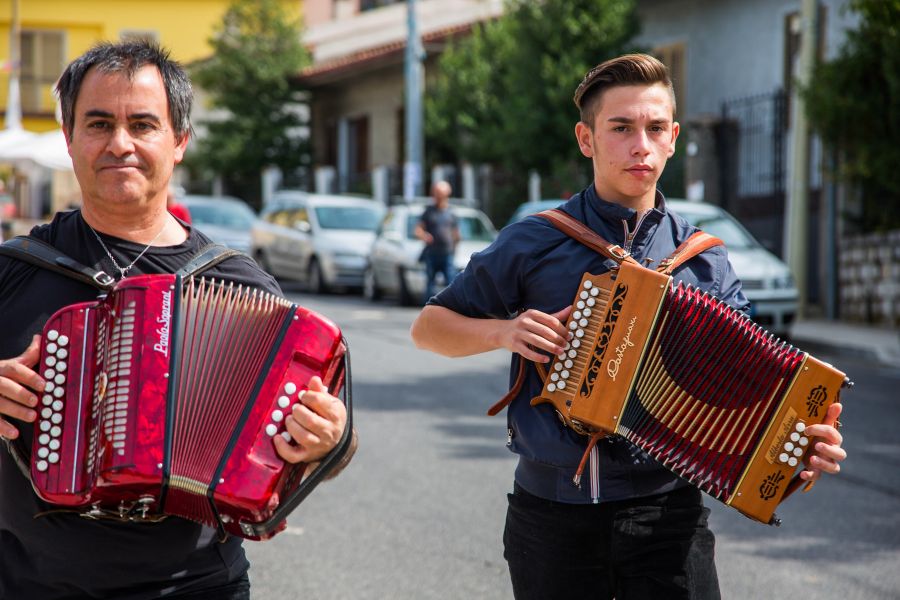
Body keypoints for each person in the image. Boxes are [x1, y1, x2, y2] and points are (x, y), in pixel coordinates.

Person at [410, 53, 846, 599]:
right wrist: (503, 332)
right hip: (552, 520)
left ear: (672, 138)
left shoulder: (704, 260)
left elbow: (752, 393)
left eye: (654, 128)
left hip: (671, 522)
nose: (640, 144)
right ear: (586, 138)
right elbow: (429, 326)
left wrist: (802, 450)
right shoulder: (534, 241)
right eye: (620, 128)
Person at [0, 40, 355, 599]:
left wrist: (328, 439)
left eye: (143, 124)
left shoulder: (240, 287)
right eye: (98, 124)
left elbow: (318, 452)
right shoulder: (12, 272)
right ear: (70, 140)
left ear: (179, 141)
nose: (120, 144)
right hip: (30, 583)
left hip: (196, 587)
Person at [414, 180, 460, 303]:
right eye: (436, 194)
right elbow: (418, 230)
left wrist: (455, 248)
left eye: (440, 195)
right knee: (430, 285)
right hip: (432, 253)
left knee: (451, 284)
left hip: (447, 253)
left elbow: (456, 234)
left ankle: (452, 308)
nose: (437, 197)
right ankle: (429, 310)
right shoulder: (428, 212)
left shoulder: (451, 213)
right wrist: (424, 236)